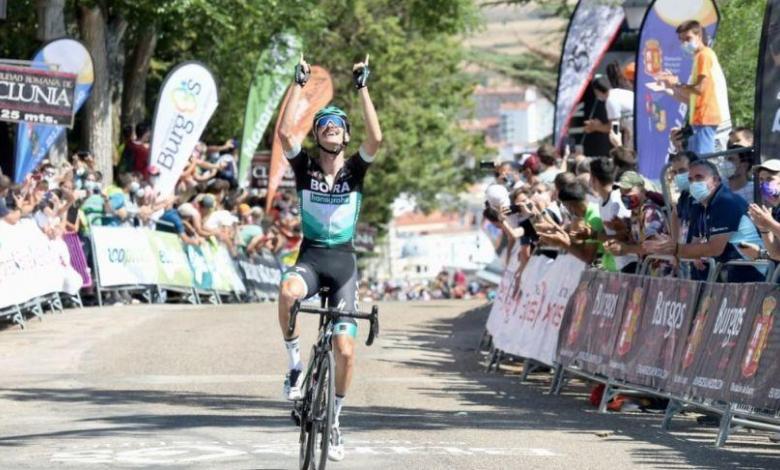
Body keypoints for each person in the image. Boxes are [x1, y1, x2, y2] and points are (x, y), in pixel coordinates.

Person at [276, 54, 381, 462]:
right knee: (287, 291)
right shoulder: (304, 168)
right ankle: (295, 366)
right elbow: (285, 132)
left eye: (338, 125)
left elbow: (376, 139)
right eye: (325, 125)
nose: (332, 128)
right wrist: (298, 84)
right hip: (312, 256)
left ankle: (335, 421)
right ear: (319, 135)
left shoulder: (355, 170)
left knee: (347, 350)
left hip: (343, 264)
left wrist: (362, 87)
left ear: (344, 135)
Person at [644, 159, 764, 282]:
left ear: (716, 180)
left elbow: (715, 248)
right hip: (734, 273)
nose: (694, 183)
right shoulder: (700, 205)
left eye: (699, 177)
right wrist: (678, 250)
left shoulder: (725, 201)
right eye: (690, 180)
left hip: (757, 272)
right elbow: (696, 243)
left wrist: (675, 249)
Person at [656, 20, 730, 155]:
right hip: (701, 121)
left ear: (699, 36)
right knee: (698, 164)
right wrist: (669, 88)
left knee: (704, 165)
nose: (684, 43)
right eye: (681, 40)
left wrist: (675, 83)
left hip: (708, 121)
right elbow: (692, 98)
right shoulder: (699, 58)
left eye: (688, 38)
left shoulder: (704, 55)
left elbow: (699, 89)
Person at [588, 157, 633, 272]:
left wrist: (594, 236)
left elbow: (625, 236)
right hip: (620, 263)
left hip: (632, 263)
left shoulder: (616, 201)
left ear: (594, 180)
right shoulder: (601, 201)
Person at [584, 76, 634, 149]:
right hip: (638, 125)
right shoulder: (619, 92)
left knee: (629, 155)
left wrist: (595, 127)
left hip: (633, 130)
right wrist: (599, 125)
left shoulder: (611, 100)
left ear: (597, 91)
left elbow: (614, 128)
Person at [745, 159, 780, 261]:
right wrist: (764, 229)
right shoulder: (774, 210)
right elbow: (776, 254)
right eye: (761, 179)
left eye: (769, 178)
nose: (764, 183)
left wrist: (769, 223)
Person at [723, 127, 755, 203]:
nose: (734, 144)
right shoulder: (719, 185)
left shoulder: (755, 190)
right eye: (731, 143)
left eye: (738, 140)